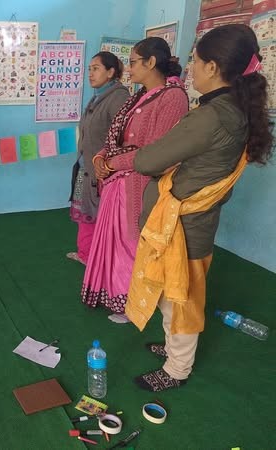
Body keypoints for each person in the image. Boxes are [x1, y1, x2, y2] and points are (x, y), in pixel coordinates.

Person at [125, 24, 273, 391]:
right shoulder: (234, 109)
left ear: (212, 67)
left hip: (184, 224)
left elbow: (147, 160)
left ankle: (177, 369)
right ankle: (175, 351)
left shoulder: (211, 115)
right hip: (193, 219)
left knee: (181, 298)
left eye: (194, 61)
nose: (189, 69)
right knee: (172, 293)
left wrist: (142, 156)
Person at [80, 37, 189, 322]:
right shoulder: (138, 96)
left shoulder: (173, 98)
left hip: (139, 183)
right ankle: (113, 294)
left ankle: (134, 302)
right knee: (115, 244)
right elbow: (116, 137)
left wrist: (112, 162)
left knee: (132, 243)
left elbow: (155, 150)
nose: (128, 69)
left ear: (151, 63)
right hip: (117, 180)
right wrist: (100, 157)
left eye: (132, 62)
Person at [67, 52, 129, 265]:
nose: (90, 74)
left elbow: (121, 138)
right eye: (89, 68)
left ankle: (100, 261)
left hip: (103, 172)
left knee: (101, 217)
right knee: (85, 213)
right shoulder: (98, 95)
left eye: (96, 68)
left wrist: (106, 164)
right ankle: (85, 254)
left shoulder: (118, 97)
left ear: (111, 72)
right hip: (86, 168)